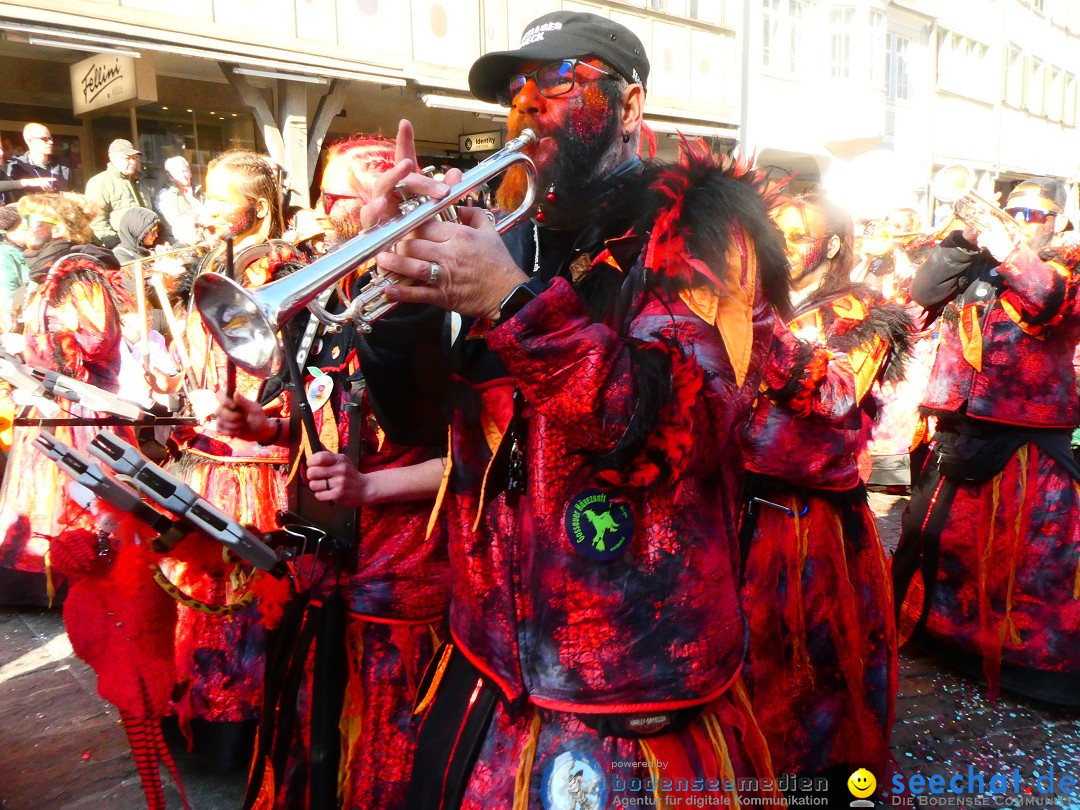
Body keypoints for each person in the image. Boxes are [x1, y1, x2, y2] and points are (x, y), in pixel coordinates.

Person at [353, 12, 790, 808]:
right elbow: (424, 427)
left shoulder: (702, 230)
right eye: (515, 91)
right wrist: (402, 293)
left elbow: (676, 436)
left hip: (627, 682)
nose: (527, 105)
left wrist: (511, 304)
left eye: (559, 82)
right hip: (488, 660)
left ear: (629, 106)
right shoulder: (513, 232)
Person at [215, 134, 450, 809]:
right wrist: (267, 427)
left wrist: (371, 487)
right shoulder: (338, 293)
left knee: (386, 757)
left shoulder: (438, 298)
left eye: (336, 198)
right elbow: (339, 420)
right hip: (331, 565)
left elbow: (485, 457)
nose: (321, 213)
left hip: (403, 584)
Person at [739, 194, 910, 801]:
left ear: (832, 244)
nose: (780, 243)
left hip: (808, 526)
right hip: (734, 506)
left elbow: (834, 396)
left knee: (808, 661)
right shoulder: (751, 301)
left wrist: (753, 316)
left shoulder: (862, 308)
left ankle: (807, 776)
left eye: (796, 232)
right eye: (773, 230)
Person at [892, 177, 1080, 706]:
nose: (1021, 220)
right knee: (933, 540)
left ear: (1058, 222)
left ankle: (1026, 669)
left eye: (1033, 213)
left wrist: (1006, 243)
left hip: (1028, 441)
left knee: (1025, 561)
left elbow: (1047, 300)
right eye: (1012, 211)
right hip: (959, 426)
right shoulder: (979, 262)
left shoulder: (1068, 266)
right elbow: (922, 293)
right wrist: (961, 241)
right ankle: (938, 638)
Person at [161, 149, 293, 770]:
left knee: (240, 606)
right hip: (209, 454)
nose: (206, 208)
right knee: (201, 598)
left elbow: (278, 372)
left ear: (257, 208)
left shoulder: (276, 269)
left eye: (220, 197)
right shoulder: (213, 265)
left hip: (253, 464)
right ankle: (205, 722)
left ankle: (241, 731)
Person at [0, 192, 129, 606]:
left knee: (84, 494)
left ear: (56, 226)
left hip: (81, 407)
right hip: (48, 400)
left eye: (34, 221)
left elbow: (99, 339)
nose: (24, 231)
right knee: (46, 496)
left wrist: (57, 329)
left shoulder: (82, 274)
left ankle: (88, 574)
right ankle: (50, 581)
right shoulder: (48, 275)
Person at [85, 139, 144, 249]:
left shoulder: (141, 180)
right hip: (120, 246)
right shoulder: (100, 182)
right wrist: (114, 243)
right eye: (128, 158)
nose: (133, 162)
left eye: (135, 158)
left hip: (146, 242)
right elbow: (96, 220)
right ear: (112, 159)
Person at [5, 123, 69, 200]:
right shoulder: (16, 167)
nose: (50, 142)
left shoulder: (62, 164)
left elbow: (69, 191)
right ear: (30, 141)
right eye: (44, 139)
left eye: (50, 138)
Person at [155, 155, 204, 246]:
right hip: (177, 244)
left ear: (190, 172)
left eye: (185, 171)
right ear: (171, 177)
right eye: (178, 173)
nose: (183, 175)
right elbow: (178, 224)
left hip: (202, 240)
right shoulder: (165, 195)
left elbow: (206, 217)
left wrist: (192, 200)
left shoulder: (198, 191)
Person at [0, 205, 30, 331]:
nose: (29, 233)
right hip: (22, 319)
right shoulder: (4, 256)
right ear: (8, 231)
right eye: (23, 230)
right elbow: (8, 296)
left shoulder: (33, 248)